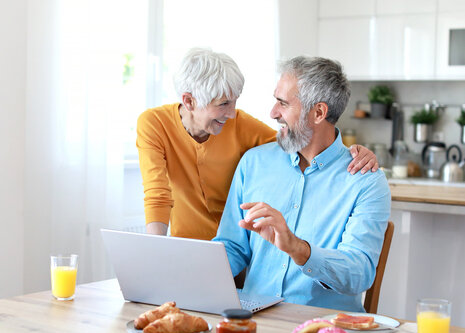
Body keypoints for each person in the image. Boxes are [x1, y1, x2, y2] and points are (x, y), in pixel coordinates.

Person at [137, 48, 379, 240]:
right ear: (189, 101)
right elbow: (157, 194)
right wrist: (155, 253)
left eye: (234, 101)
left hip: (237, 250)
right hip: (189, 248)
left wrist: (351, 152)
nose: (232, 114)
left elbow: (301, 140)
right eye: (223, 104)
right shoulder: (154, 123)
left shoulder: (241, 125)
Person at [213, 56, 391, 312]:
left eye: (283, 103)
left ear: (318, 112)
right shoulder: (254, 163)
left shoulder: (365, 181)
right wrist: (189, 279)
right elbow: (232, 247)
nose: (273, 113)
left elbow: (359, 273)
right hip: (253, 321)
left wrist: (298, 249)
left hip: (323, 329)